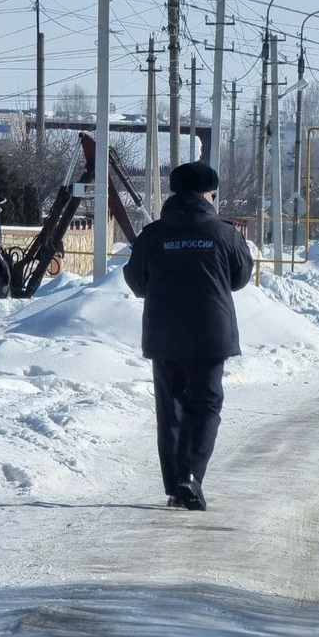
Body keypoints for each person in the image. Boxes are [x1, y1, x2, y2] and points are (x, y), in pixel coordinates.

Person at [123, 161, 253, 511]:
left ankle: (176, 484)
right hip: (210, 336)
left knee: (171, 410)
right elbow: (240, 278)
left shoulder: (153, 235)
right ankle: (191, 477)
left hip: (163, 335)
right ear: (208, 193)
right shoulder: (225, 233)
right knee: (206, 406)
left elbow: (136, 282)